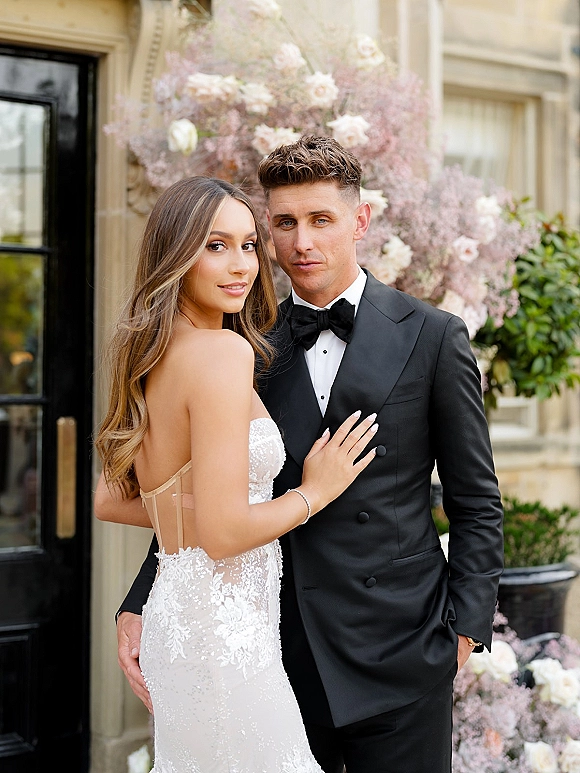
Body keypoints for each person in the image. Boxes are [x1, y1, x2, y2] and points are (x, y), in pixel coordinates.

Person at [99, 137, 504, 773]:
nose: (301, 243)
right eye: (284, 224)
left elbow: (477, 500)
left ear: (361, 221)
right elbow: (202, 488)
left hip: (400, 650)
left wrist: (465, 630)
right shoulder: (246, 345)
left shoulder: (433, 336)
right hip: (276, 647)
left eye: (321, 220)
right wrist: (141, 596)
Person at [94, 175, 379, 773]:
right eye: (216, 245)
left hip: (184, 621)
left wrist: (202, 509)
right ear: (175, 254)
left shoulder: (149, 352)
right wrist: (312, 493)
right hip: (224, 641)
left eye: (249, 244)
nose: (241, 265)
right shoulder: (225, 354)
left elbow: (113, 498)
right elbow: (224, 534)